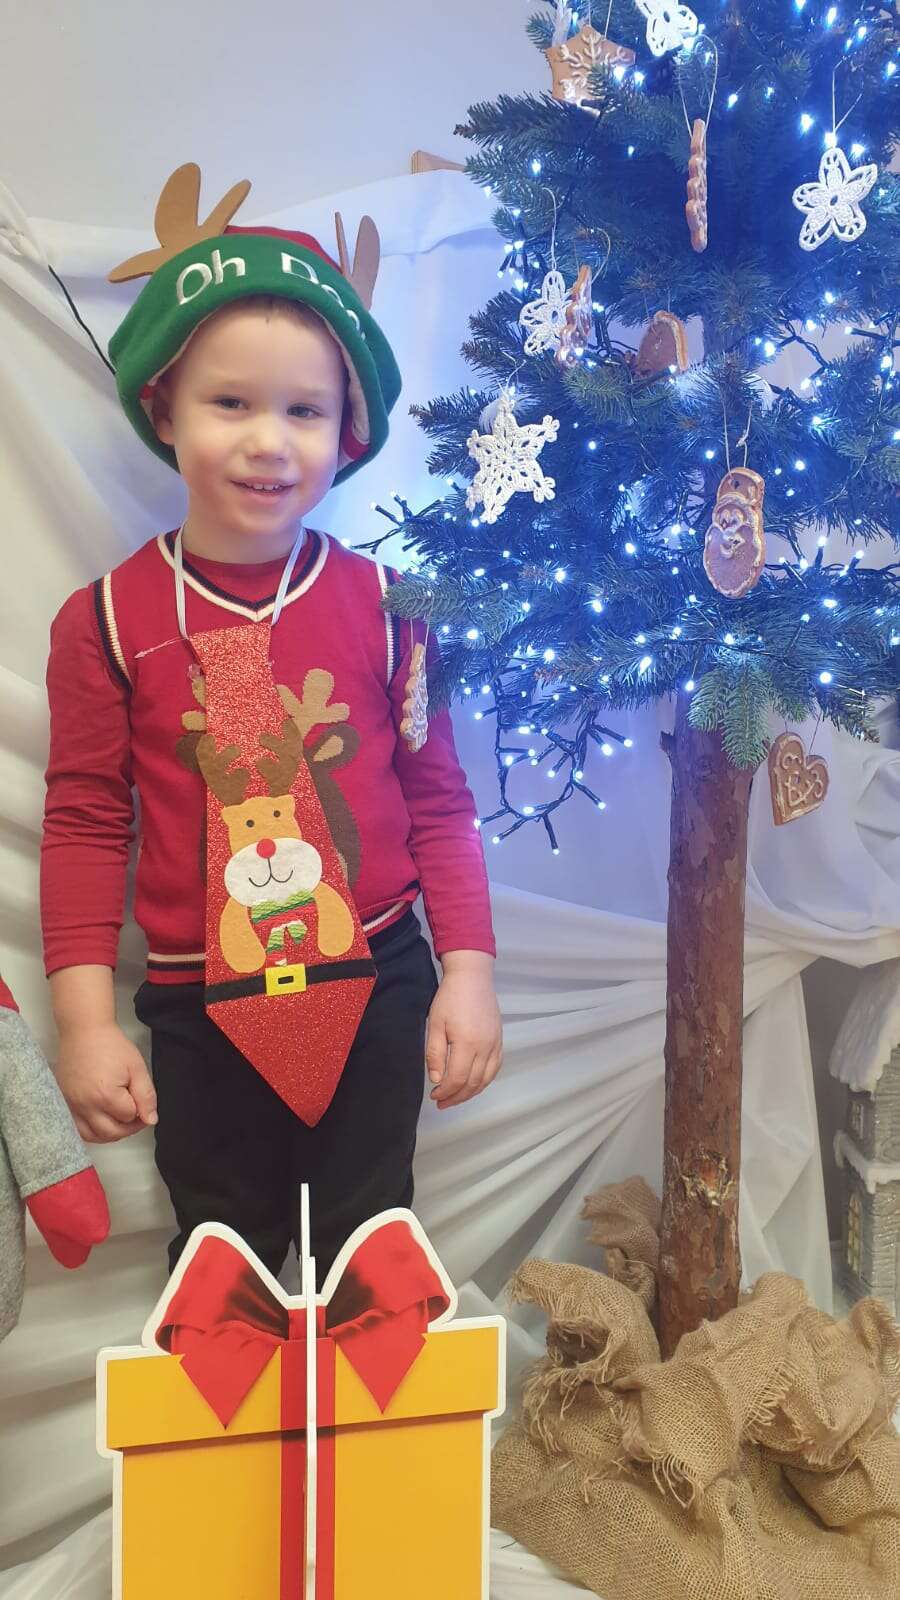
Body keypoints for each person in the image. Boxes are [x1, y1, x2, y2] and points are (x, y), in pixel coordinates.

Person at [40, 165, 501, 1280]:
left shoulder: (391, 609)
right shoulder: (105, 622)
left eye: (304, 410)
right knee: (223, 1269)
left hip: (377, 976)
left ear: (348, 432)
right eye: (231, 403)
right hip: (201, 998)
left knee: (369, 1261)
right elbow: (87, 824)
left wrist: (470, 972)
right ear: (164, 408)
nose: (269, 441)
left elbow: (440, 802)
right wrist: (85, 1022)